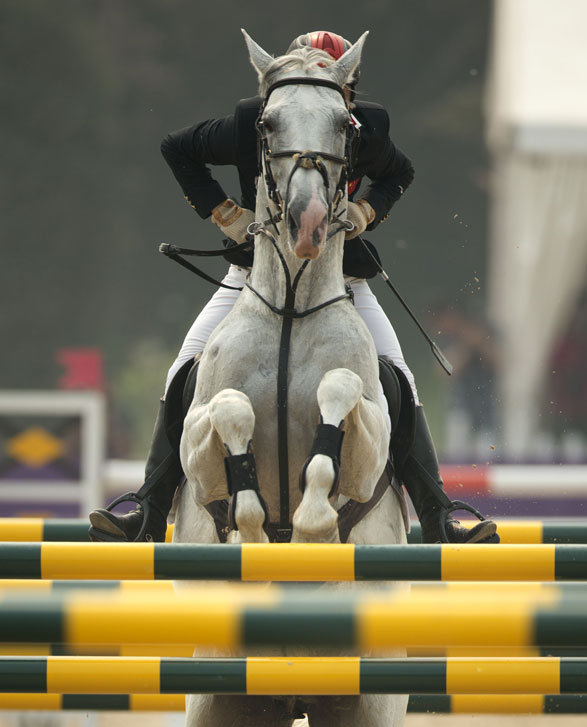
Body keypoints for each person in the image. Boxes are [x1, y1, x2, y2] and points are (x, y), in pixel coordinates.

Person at [89, 31, 498, 545]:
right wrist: (226, 214)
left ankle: (439, 519)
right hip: (250, 278)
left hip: (342, 281)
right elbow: (178, 149)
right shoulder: (251, 120)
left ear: (347, 90)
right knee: (182, 373)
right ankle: (148, 511)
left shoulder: (368, 126)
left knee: (401, 382)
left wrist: (368, 210)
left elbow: (401, 173)